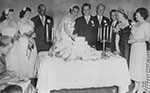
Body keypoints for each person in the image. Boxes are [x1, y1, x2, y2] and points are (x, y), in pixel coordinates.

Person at [128, 7, 150, 93]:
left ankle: (140, 87)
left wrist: (136, 40)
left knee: (139, 67)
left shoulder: (146, 25)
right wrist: (131, 39)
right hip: (134, 48)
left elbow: (147, 38)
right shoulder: (135, 24)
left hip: (140, 47)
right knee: (134, 66)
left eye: (137, 14)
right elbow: (131, 35)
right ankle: (136, 87)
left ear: (142, 15)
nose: (135, 16)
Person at [18, 7, 37, 78]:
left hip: (31, 40)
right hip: (23, 41)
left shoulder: (31, 22)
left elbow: (33, 31)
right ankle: (24, 74)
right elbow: (21, 34)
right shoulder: (20, 22)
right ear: (24, 13)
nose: (29, 15)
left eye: (30, 13)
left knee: (32, 57)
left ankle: (31, 74)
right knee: (25, 57)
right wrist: (28, 37)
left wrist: (32, 36)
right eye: (27, 13)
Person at [0, 8, 20, 75]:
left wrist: (16, 37)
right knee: (8, 60)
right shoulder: (2, 24)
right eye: (10, 14)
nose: (12, 16)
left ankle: (15, 75)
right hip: (6, 45)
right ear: (6, 16)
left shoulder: (14, 24)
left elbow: (17, 35)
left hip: (14, 44)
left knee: (15, 60)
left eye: (13, 14)